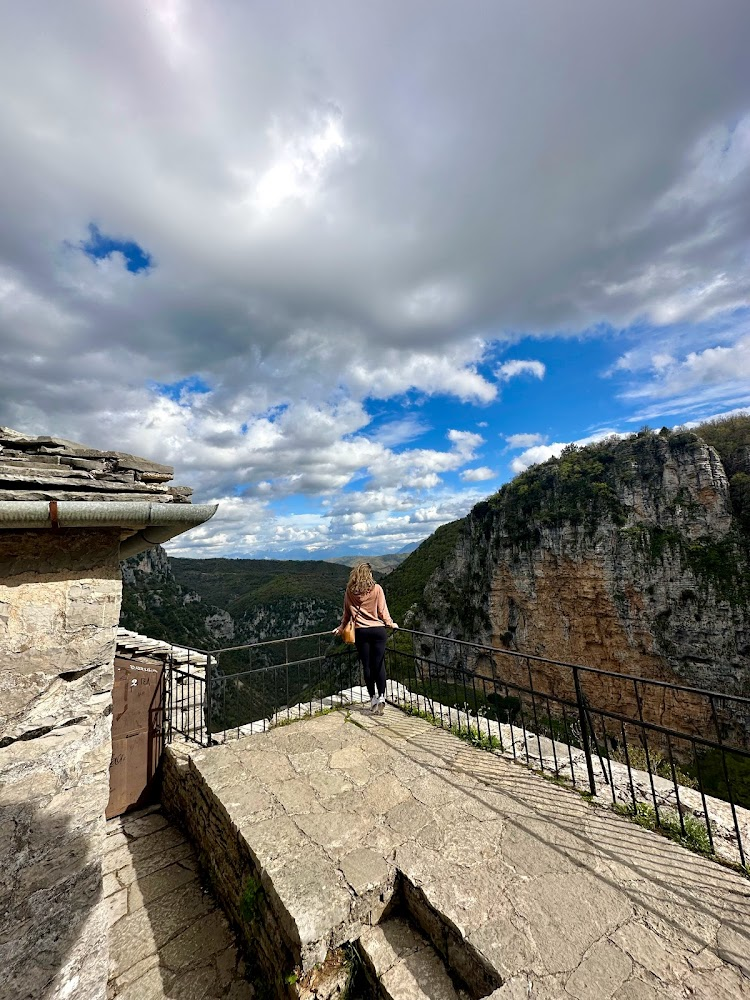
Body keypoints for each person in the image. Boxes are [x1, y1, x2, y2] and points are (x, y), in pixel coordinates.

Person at [333, 562, 398, 715]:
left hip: (361, 632)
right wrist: (390, 623)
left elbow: (346, 615)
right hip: (378, 631)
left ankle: (373, 698)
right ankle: (382, 696)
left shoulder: (350, 592)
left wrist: (341, 628)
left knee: (367, 666)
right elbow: (383, 612)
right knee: (379, 664)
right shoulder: (377, 589)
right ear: (369, 575)